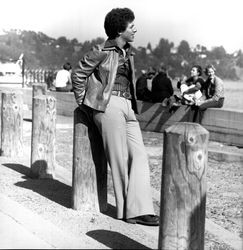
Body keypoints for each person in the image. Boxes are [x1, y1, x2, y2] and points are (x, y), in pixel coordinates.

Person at [72, 7, 159, 226]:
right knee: (119, 161)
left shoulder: (128, 52)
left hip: (129, 107)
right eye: (131, 26)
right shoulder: (101, 50)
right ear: (120, 30)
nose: (135, 29)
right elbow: (78, 75)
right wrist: (86, 104)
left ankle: (140, 208)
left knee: (139, 156)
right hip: (108, 107)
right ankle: (128, 212)